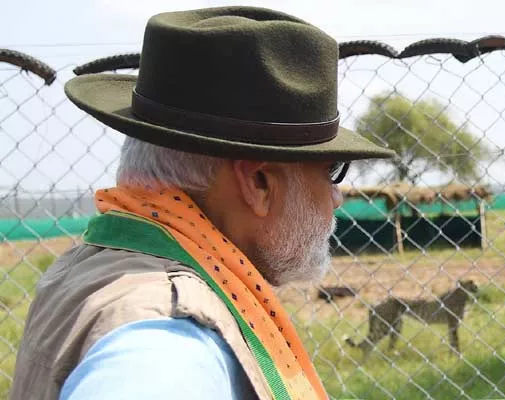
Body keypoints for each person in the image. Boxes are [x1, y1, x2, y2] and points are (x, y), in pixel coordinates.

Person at [9, 6, 394, 400]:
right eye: (332, 171)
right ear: (259, 183)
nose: (337, 196)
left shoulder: (95, 266)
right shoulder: (171, 336)